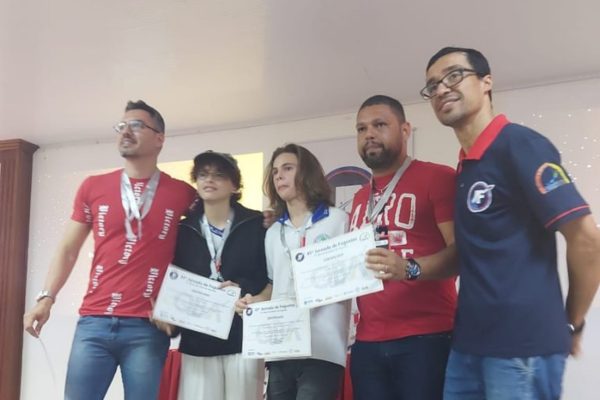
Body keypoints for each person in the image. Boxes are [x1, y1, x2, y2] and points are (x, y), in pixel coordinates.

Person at [422, 46, 600, 399]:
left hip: (523, 347)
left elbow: (586, 240)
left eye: (454, 76)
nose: (441, 89)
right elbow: (468, 253)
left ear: (486, 82)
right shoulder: (465, 167)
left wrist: (572, 322)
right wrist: (408, 268)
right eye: (432, 85)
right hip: (468, 346)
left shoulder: (521, 144)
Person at [23, 100, 197, 399]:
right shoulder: (93, 187)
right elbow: (67, 249)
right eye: (121, 126)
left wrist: (263, 220)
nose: (125, 131)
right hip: (94, 323)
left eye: (137, 125)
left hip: (148, 326)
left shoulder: (181, 193)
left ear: (159, 138)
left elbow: (213, 236)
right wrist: (46, 298)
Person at [349, 95, 458, 400]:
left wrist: (408, 268)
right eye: (361, 129)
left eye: (380, 124)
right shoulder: (359, 197)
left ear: (406, 130)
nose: (369, 133)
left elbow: (461, 254)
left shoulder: (438, 177)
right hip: (367, 341)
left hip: (427, 337)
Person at [238, 143, 351, 400]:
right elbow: (272, 286)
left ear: (307, 173)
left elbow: (350, 277)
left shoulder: (338, 220)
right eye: (275, 171)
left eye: (287, 168)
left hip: (323, 346)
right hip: (281, 346)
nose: (279, 175)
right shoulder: (272, 233)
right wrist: (252, 302)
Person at [169, 151, 270, 400]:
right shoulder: (183, 229)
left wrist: (243, 288)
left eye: (218, 175)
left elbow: (269, 275)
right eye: (202, 175)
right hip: (198, 339)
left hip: (243, 337)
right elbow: (175, 279)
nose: (209, 180)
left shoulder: (257, 224)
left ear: (234, 185)